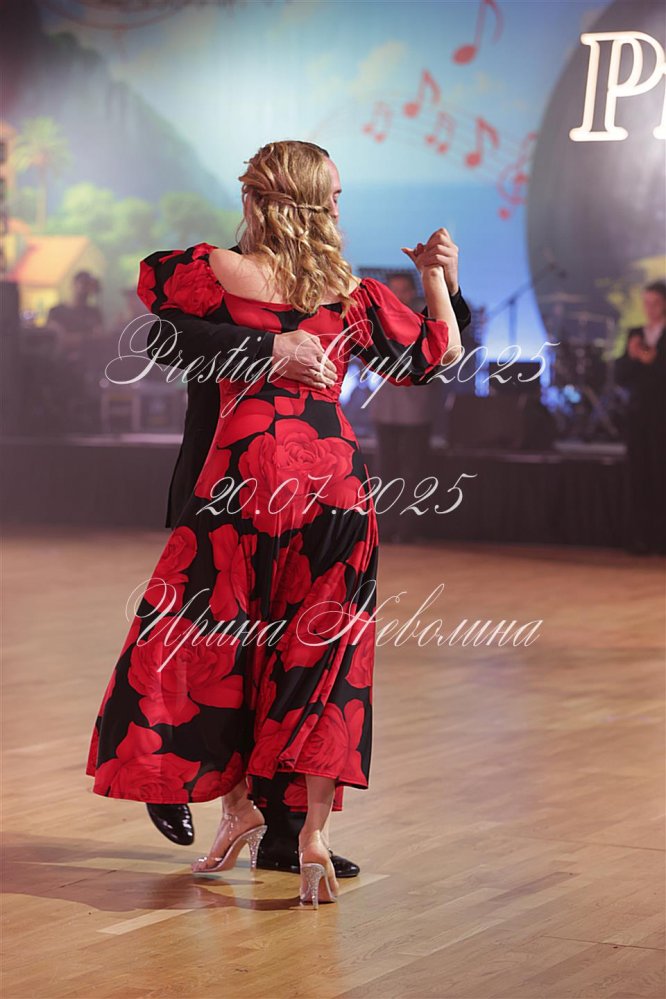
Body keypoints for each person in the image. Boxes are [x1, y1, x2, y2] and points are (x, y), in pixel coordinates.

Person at [86, 139, 462, 907]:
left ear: (253, 199)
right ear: (320, 205)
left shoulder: (213, 271)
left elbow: (151, 308)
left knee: (199, 638)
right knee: (321, 658)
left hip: (244, 478)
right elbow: (436, 353)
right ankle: (303, 832)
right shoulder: (351, 293)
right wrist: (433, 280)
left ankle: (237, 807)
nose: (341, 208)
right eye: (336, 196)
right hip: (335, 485)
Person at [370, 271, 471, 542]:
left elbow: (442, 353)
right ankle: (384, 527)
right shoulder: (378, 315)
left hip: (416, 407)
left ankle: (408, 529)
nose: (398, 295)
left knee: (413, 471)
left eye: (402, 290)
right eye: (393, 290)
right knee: (385, 469)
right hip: (385, 406)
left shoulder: (423, 316)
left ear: (413, 291)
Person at [614, 280, 666, 555]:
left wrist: (654, 362)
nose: (650, 308)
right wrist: (632, 357)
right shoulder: (636, 333)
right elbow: (620, 376)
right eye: (646, 302)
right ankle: (639, 537)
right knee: (638, 473)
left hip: (662, 415)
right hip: (639, 414)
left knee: (660, 472)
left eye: (655, 303)